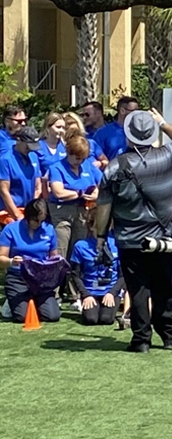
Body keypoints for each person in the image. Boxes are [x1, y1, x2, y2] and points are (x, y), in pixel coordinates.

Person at [95, 108, 172, 353]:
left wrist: (100, 236)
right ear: (152, 134)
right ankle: (171, 336)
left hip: (130, 240)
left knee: (137, 290)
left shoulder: (114, 167)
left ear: (128, 136)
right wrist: (163, 123)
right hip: (163, 238)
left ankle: (141, 340)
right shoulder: (168, 156)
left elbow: (103, 207)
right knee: (165, 288)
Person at [48, 134, 101, 291]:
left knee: (77, 251)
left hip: (82, 212)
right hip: (61, 211)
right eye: (77, 158)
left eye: (83, 158)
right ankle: (54, 291)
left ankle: (74, 291)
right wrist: (79, 193)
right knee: (60, 251)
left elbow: (102, 182)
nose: (80, 162)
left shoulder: (87, 166)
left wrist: (96, 192)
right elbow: (58, 192)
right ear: (69, 153)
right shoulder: (56, 167)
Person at [0, 198, 60, 322]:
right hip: (18, 276)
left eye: (42, 220)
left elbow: (54, 256)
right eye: (36, 220)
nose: (39, 224)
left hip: (40, 279)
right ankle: (13, 301)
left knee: (52, 316)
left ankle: (36, 301)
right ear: (28, 216)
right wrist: (12, 261)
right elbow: (1, 258)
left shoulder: (49, 229)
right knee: (22, 317)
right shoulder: (10, 229)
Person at [69, 216, 123, 326]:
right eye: (99, 226)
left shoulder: (117, 244)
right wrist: (86, 295)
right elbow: (75, 275)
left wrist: (112, 293)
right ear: (91, 227)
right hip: (90, 290)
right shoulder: (81, 246)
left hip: (110, 290)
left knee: (106, 319)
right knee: (91, 320)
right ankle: (87, 304)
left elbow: (123, 275)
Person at [0, 126, 42, 224]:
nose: (29, 149)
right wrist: (17, 215)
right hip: (8, 214)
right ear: (18, 140)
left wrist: (32, 210)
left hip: (28, 211)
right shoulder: (5, 160)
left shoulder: (34, 157)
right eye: (27, 146)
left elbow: (37, 186)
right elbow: (3, 190)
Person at [93, 96, 140, 160]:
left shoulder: (141, 131)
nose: (137, 114)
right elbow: (94, 155)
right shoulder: (103, 133)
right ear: (122, 110)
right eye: (134, 111)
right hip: (113, 169)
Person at [38, 113, 67, 181]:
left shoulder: (66, 147)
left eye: (63, 128)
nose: (61, 131)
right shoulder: (38, 147)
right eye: (58, 127)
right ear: (48, 127)